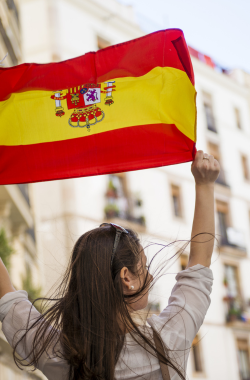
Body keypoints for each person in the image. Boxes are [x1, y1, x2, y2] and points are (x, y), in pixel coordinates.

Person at [0, 150, 219, 380]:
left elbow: (7, 296)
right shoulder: (170, 338)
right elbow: (199, 262)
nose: (150, 277)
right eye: (143, 268)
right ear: (126, 277)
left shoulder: (56, 353)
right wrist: (205, 184)